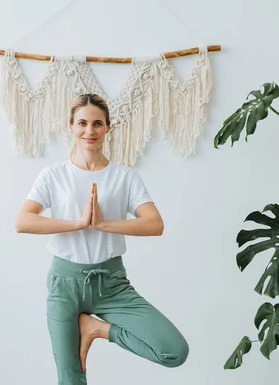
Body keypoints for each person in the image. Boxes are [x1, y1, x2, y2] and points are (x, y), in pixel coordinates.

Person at [14, 93, 189, 384]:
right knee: (70, 378)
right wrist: (78, 223)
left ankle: (94, 328)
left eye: (97, 123)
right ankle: (89, 328)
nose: (89, 131)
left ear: (108, 127)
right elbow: (23, 221)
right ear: (70, 126)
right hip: (65, 284)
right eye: (82, 123)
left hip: (112, 284)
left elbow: (154, 224)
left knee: (173, 350)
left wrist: (104, 224)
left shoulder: (124, 176)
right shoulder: (53, 175)